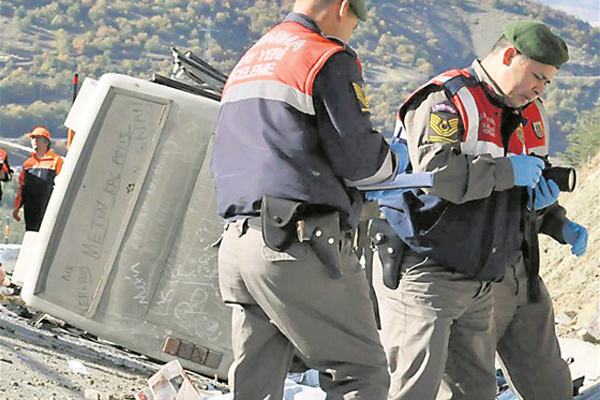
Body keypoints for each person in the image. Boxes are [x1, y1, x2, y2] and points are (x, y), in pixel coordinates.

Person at [370, 21, 587, 400]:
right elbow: (435, 175)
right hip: (424, 265)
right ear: (508, 56)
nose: (540, 89)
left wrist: (553, 217)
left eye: (547, 83)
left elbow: (516, 192)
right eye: (537, 76)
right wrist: (507, 171)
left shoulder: (530, 115)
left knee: (474, 391)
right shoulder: (447, 100)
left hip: (482, 271)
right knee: (414, 388)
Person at [210, 0, 410, 398]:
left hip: (239, 245)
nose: (353, 31)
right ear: (341, 7)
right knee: (361, 373)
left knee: (257, 382)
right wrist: (396, 164)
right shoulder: (324, 56)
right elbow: (360, 162)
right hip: (298, 246)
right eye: (356, 20)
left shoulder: (254, 57)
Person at [13, 127, 64, 232]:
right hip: (31, 209)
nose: (35, 141)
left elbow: (63, 185)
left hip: (49, 208)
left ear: (46, 142)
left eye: (38, 138)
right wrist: (17, 207)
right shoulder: (28, 164)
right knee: (31, 235)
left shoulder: (56, 161)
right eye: (33, 138)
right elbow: (22, 188)